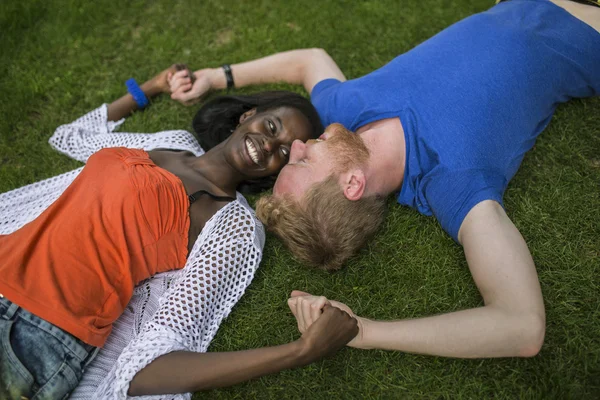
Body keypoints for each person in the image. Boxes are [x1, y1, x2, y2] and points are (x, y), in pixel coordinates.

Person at [169, 0, 600, 359]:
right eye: (301, 162)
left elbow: (310, 60)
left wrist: (218, 76)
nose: (298, 146)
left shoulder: (344, 116)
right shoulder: (453, 181)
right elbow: (522, 325)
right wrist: (364, 331)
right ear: (352, 184)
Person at [0, 65, 358, 400]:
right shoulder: (171, 142)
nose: (269, 145)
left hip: (35, 337)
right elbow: (71, 137)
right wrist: (149, 88)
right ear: (248, 115)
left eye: (282, 151)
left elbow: (152, 360)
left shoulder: (235, 226)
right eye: (272, 127)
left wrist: (300, 351)